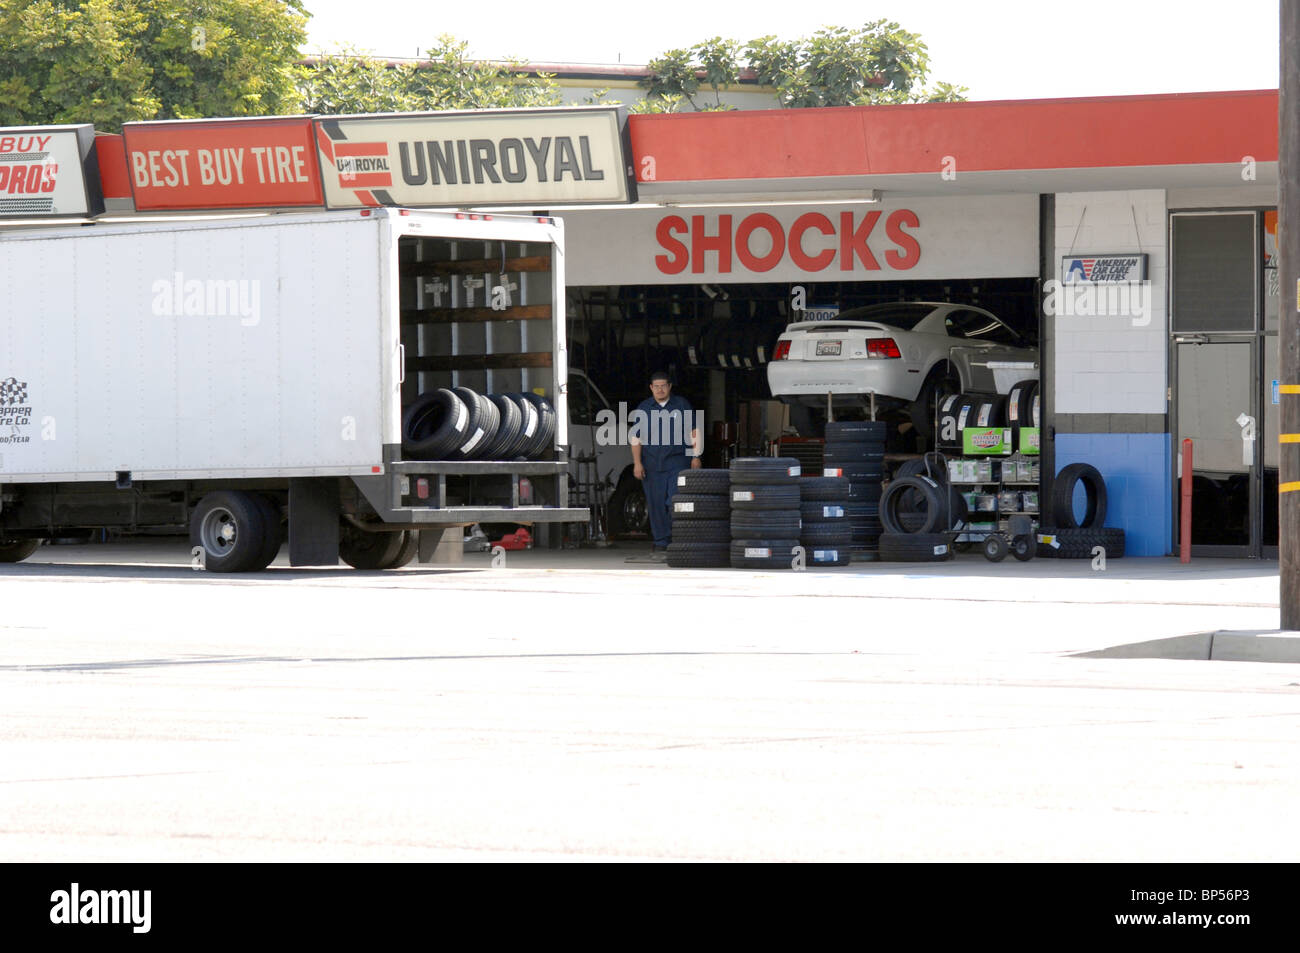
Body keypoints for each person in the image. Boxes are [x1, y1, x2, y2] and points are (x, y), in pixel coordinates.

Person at [629, 370, 702, 555]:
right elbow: (636, 439)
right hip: (652, 464)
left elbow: (694, 431)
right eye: (656, 386)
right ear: (651, 388)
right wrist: (637, 463)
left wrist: (696, 456)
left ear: (669, 386)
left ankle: (676, 537)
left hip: (677, 462)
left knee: (674, 501)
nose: (660, 389)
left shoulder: (682, 405)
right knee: (655, 504)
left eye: (663, 386)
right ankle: (661, 541)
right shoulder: (644, 408)